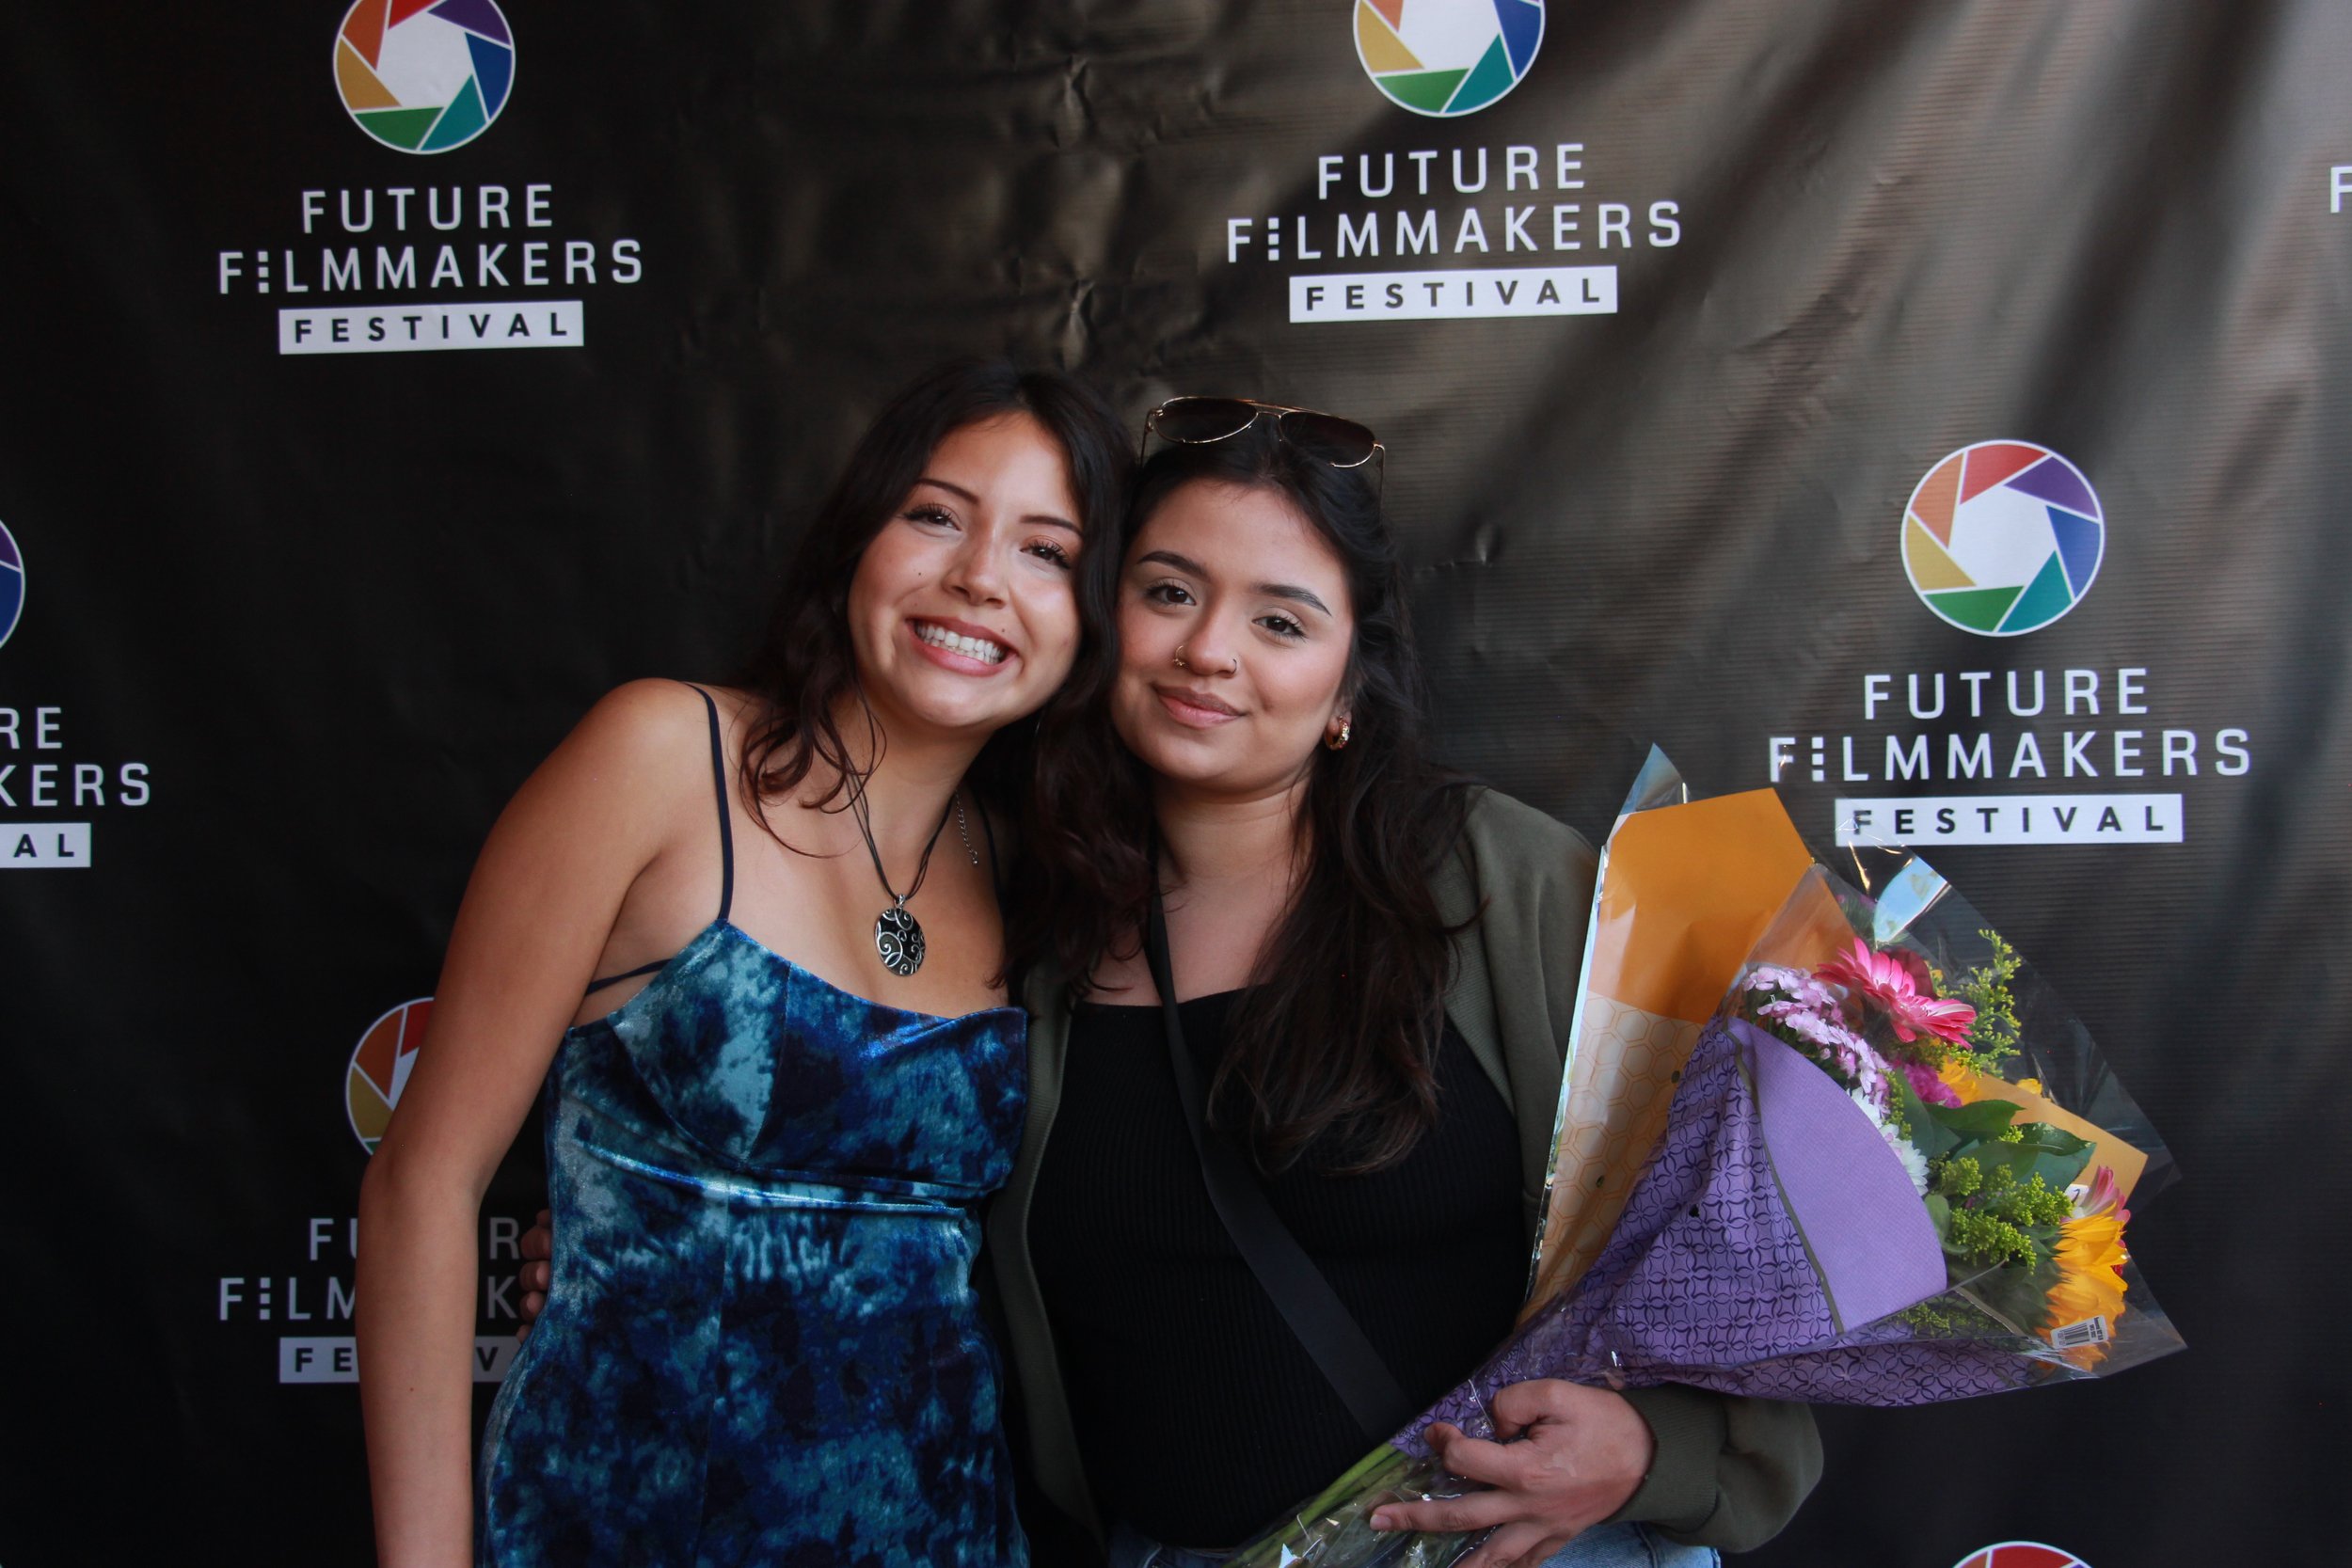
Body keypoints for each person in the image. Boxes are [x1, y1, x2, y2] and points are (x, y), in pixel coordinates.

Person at [990, 400, 1821, 1568]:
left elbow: (1752, 1236)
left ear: (1344, 691)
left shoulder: (1500, 884)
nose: (1208, 649)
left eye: (1281, 619)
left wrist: (1655, 1448)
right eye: (1169, 590)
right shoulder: (1024, 925)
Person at [354, 359, 1132, 1568]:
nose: (979, 576)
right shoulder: (662, 755)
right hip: (620, 1521)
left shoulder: (1037, 873)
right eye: (935, 514)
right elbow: (422, 1187)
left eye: (1047, 550)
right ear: (854, 540)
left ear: (1089, 620)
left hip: (937, 1533)